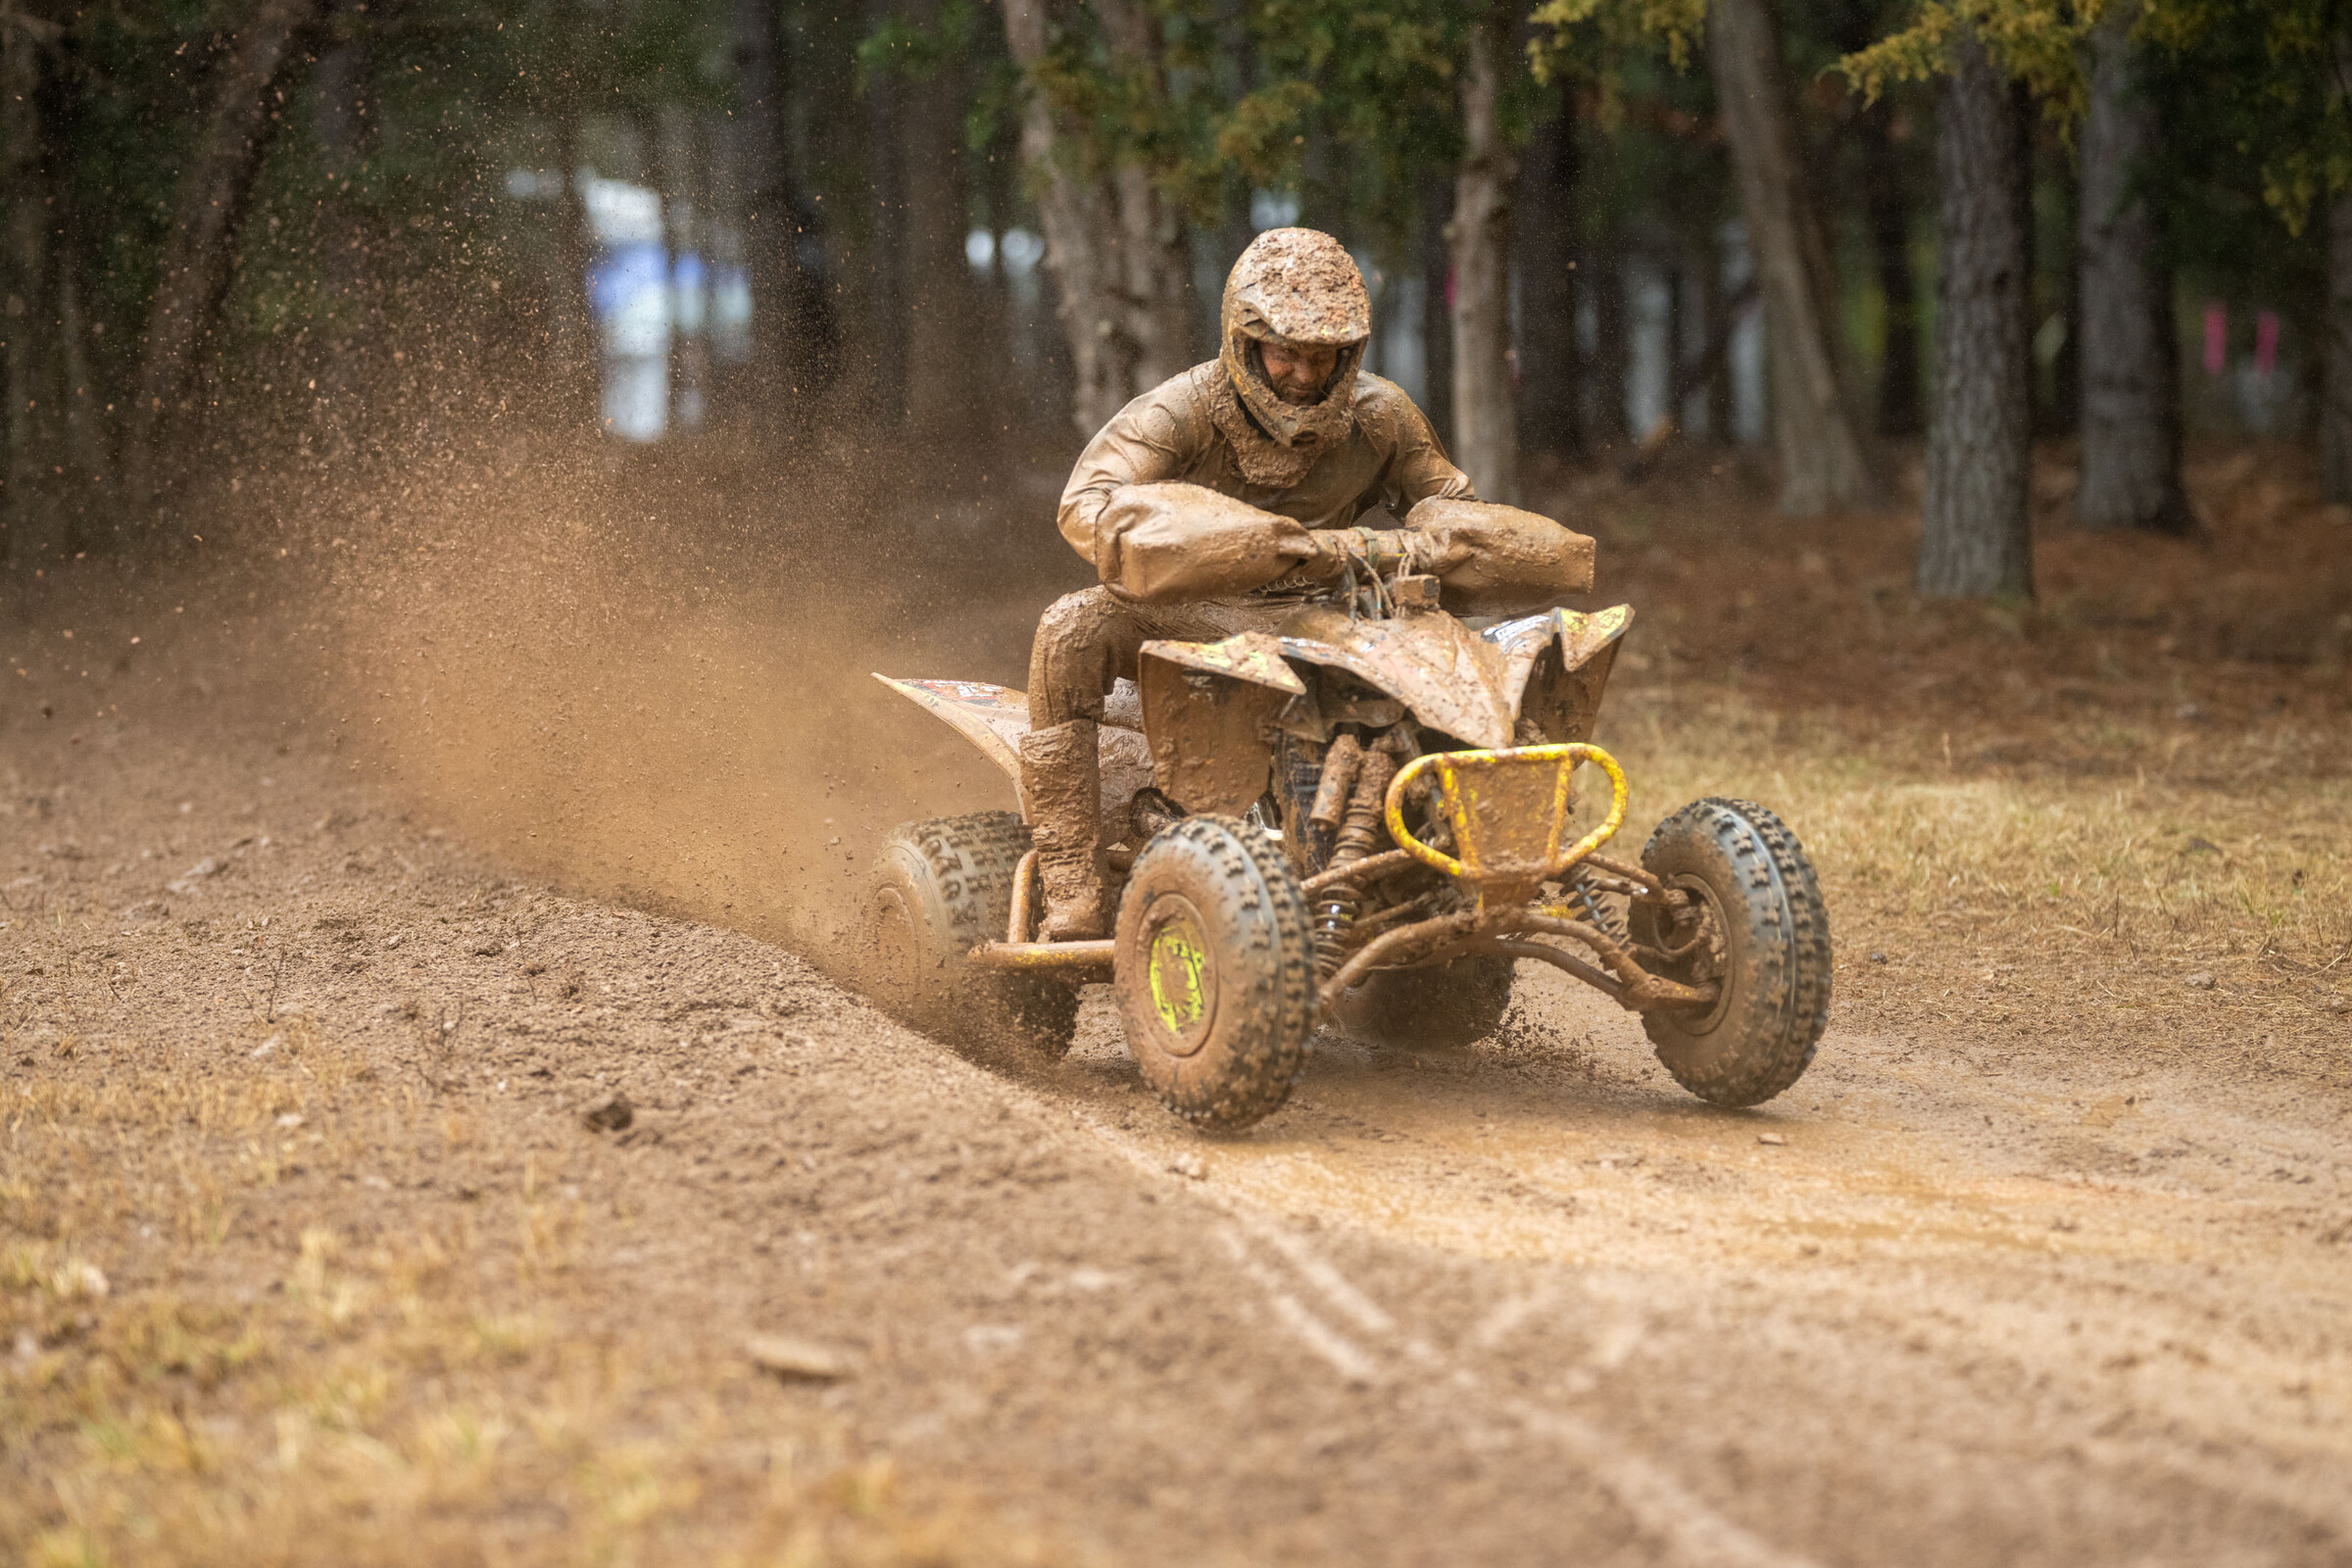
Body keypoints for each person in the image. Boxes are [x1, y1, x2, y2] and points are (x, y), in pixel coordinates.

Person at [1020, 226, 1484, 941]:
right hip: (1188, 608)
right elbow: (1086, 505)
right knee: (1070, 628)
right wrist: (1199, 540)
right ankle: (1072, 883)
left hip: (1329, 612)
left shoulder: (1381, 415)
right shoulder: (1181, 410)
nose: (1304, 374)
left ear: (1349, 352)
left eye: (1323, 356)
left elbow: (1453, 506)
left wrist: (1437, 540)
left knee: (1465, 657)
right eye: (1285, 353)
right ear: (1244, 341)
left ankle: (1449, 854)